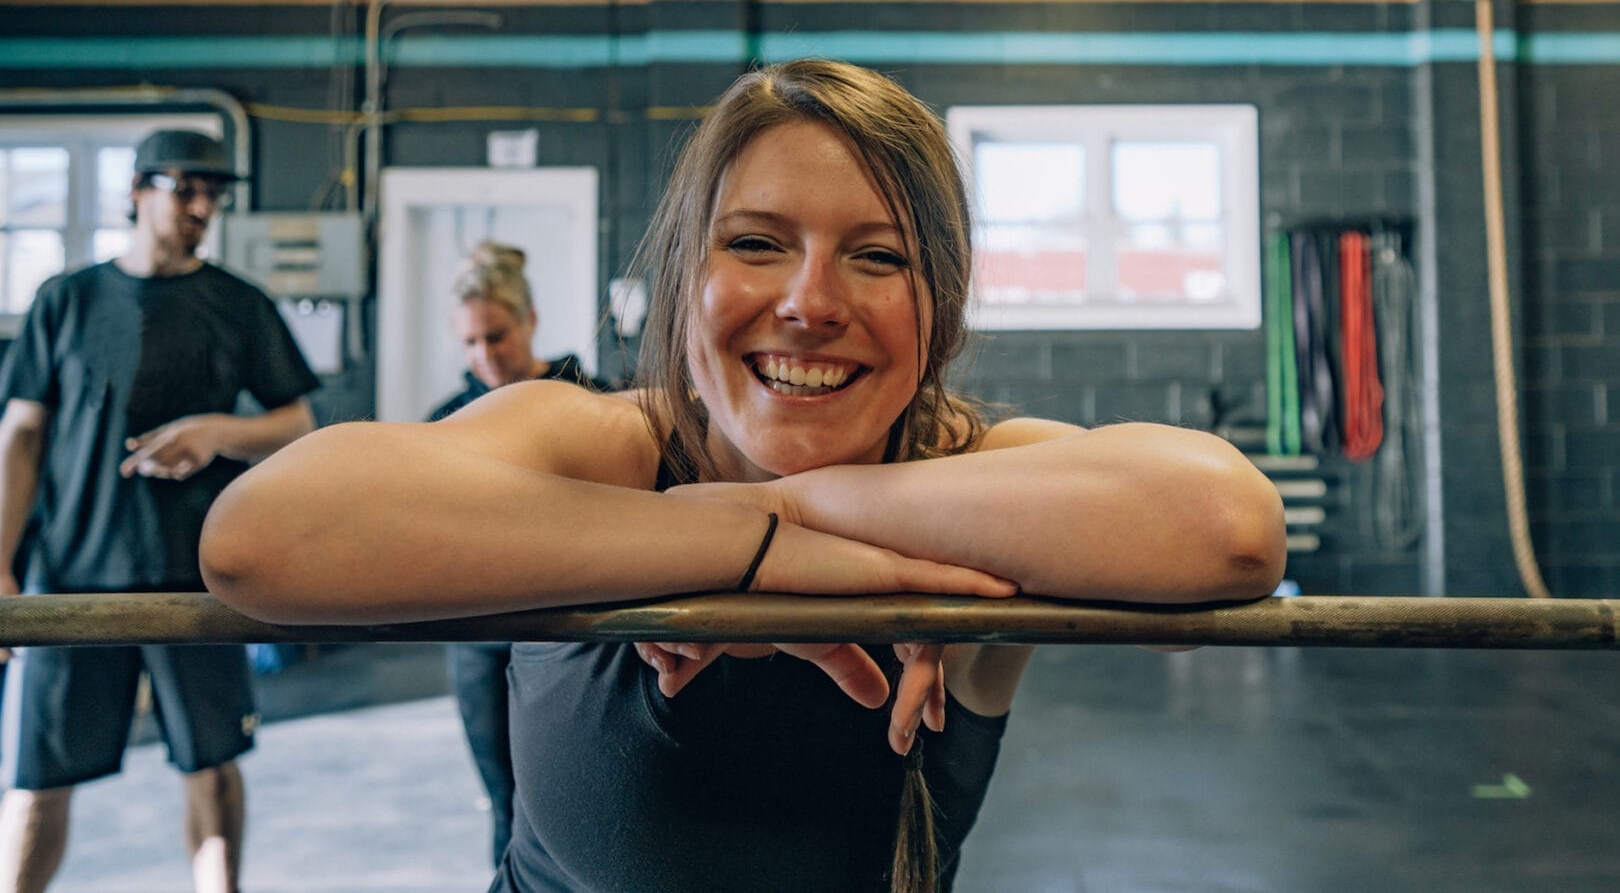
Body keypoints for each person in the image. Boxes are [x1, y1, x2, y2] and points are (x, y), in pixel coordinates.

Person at [200, 60, 1286, 892]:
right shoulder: (605, 445)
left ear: (938, 305)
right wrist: (743, 545)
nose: (811, 300)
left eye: (878, 256)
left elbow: (1225, 527)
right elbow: (262, 540)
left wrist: (794, 503)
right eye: (759, 244)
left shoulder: (965, 477)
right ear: (687, 277)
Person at [0, 129, 320, 893]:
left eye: (215, 193)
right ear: (137, 191)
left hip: (197, 580)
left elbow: (297, 425)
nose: (202, 206)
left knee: (212, 768)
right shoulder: (68, 300)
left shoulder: (238, 306)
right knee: (40, 780)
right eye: (186, 188)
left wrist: (219, 433)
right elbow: (21, 435)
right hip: (69, 579)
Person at [428, 240, 613, 867]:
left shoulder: (591, 402)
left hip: (578, 633)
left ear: (530, 320)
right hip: (479, 635)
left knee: (579, 797)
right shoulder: (447, 420)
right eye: (471, 343)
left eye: (497, 336)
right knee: (504, 800)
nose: (485, 356)